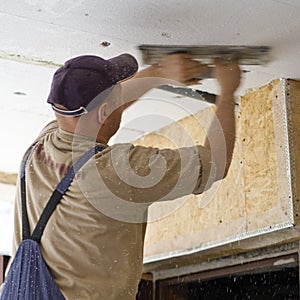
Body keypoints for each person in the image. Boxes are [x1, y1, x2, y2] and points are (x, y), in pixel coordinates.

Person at [6, 52, 241, 299]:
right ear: (105, 111)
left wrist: (159, 72)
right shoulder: (114, 172)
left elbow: (96, 114)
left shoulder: (38, 149)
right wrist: (228, 92)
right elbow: (214, 163)